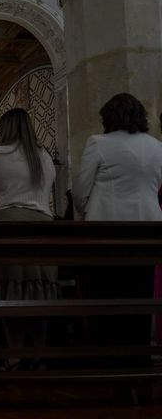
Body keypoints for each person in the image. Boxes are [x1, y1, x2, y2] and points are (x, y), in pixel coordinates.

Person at [72, 93, 162, 355]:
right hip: (148, 230)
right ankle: (138, 354)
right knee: (140, 295)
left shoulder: (98, 143)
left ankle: (110, 356)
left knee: (107, 295)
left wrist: (91, 211)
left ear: (107, 117)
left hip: (106, 232)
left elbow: (80, 191)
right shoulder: (157, 146)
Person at [0, 108, 56, 371]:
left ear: (5, 129)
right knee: (39, 290)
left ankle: (13, 354)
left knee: (10, 289)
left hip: (4, 228)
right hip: (42, 229)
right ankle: (38, 351)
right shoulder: (43, 157)